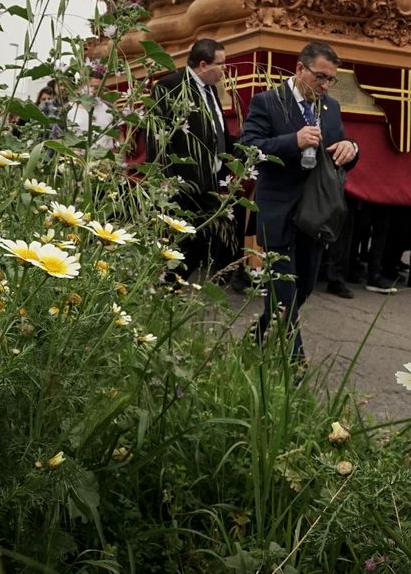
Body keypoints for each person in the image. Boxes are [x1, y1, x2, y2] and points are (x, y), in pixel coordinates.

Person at [239, 42, 360, 361]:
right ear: (300, 69)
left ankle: (254, 340)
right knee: (284, 292)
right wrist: (292, 141)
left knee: (302, 287)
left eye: (330, 79)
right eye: (319, 77)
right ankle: (295, 366)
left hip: (315, 214)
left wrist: (352, 149)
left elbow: (339, 152)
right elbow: (248, 148)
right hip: (278, 211)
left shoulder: (331, 107)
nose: (324, 85)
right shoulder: (268, 102)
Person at [152, 39, 237, 273]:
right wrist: (165, 178)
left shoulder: (210, 89)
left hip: (212, 179)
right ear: (203, 64)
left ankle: (179, 285)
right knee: (180, 244)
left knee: (205, 238)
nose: (225, 69)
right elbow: (156, 136)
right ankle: (168, 288)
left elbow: (216, 131)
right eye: (221, 64)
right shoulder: (170, 86)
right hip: (183, 182)